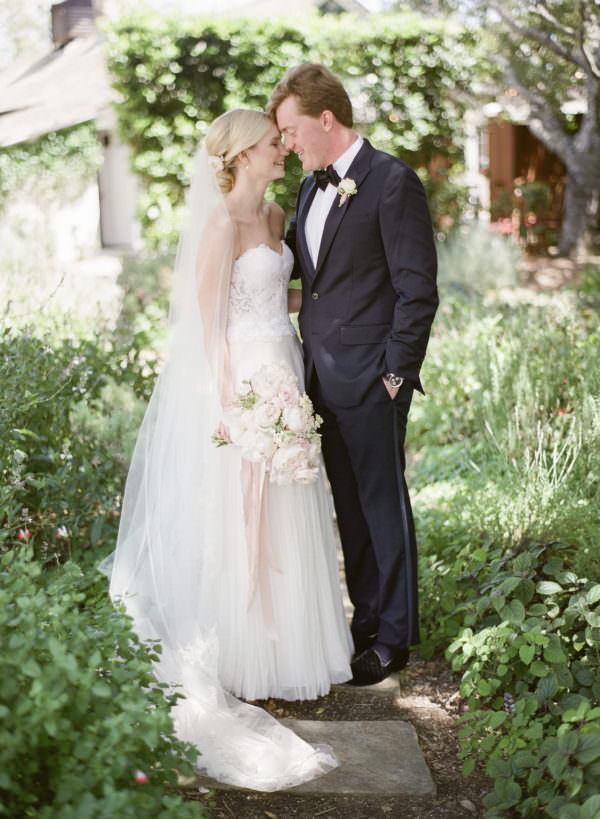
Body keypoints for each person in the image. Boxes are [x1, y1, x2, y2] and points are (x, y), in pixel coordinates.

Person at [104, 108, 352, 791]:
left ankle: (286, 656)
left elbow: (288, 297)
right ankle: (241, 658)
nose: (283, 149)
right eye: (273, 144)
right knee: (239, 519)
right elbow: (208, 327)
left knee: (287, 513)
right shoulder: (219, 225)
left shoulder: (275, 218)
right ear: (241, 153)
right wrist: (233, 409)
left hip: (285, 372)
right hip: (242, 387)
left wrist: (352, 297)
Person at [268, 63, 439, 686]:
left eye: (290, 131)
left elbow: (416, 290)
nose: (286, 144)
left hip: (373, 381)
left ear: (326, 119)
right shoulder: (312, 190)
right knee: (349, 506)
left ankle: (395, 637)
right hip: (318, 380)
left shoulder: (392, 182)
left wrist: (395, 374)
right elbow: (305, 283)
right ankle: (365, 621)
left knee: (382, 505)